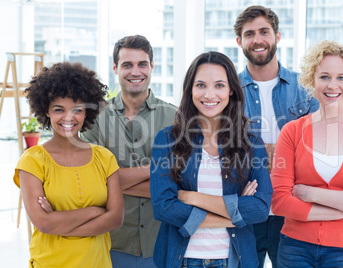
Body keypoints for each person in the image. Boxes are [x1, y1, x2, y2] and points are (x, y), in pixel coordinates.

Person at [271, 40, 343, 267]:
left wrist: (310, 194)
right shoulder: (292, 132)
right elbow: (280, 202)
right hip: (295, 248)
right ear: (311, 80)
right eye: (324, 77)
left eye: (341, 78)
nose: (332, 86)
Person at [150, 51, 272, 268]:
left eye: (219, 85)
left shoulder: (251, 143)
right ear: (190, 90)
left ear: (231, 90)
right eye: (200, 85)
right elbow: (164, 207)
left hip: (234, 260)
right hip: (182, 260)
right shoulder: (167, 140)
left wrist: (192, 197)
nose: (209, 94)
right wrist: (234, 214)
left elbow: (260, 208)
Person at [13, 62, 124, 267]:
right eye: (59, 109)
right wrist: (95, 212)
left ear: (86, 112)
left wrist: (59, 221)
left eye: (77, 109)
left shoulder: (104, 158)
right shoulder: (32, 161)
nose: (68, 117)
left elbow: (116, 218)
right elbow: (44, 223)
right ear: (46, 111)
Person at [233, 5, 320, 268]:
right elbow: (228, 153)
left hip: (292, 210)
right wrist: (285, 151)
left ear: (277, 36)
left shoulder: (304, 88)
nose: (257, 40)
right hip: (248, 210)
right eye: (249, 34)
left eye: (264, 32)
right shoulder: (230, 91)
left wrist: (261, 152)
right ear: (240, 41)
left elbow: (317, 151)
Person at [81, 35, 177, 267]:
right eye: (127, 65)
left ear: (152, 66)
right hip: (111, 244)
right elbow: (92, 180)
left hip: (162, 244)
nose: (136, 71)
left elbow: (177, 185)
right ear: (115, 68)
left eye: (142, 64)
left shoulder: (175, 118)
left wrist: (113, 181)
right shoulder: (94, 119)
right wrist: (155, 169)